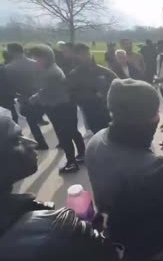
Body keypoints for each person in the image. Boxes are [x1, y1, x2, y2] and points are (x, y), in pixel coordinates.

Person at [0, 108, 121, 261]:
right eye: (17, 140)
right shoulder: (57, 227)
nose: (33, 142)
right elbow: (111, 254)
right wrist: (90, 231)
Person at [86, 79, 163, 260]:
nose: (158, 117)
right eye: (156, 111)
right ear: (148, 119)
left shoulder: (96, 140)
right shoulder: (153, 168)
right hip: (150, 248)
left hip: (113, 234)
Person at [28, 45, 86, 173]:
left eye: (37, 59)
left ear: (46, 58)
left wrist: (33, 98)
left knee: (64, 135)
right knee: (72, 132)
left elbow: (45, 93)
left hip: (60, 107)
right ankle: (82, 154)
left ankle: (71, 163)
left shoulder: (50, 73)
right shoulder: (50, 69)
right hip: (65, 106)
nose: (35, 61)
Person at [4, 43, 48, 150]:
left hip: (25, 97)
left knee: (32, 122)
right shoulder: (35, 64)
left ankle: (42, 143)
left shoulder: (9, 68)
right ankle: (62, 141)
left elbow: (11, 85)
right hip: (41, 94)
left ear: (12, 52)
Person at [67, 43, 117, 134]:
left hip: (108, 109)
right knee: (98, 134)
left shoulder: (103, 71)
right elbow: (72, 94)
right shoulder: (74, 74)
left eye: (88, 54)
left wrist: (107, 95)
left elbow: (116, 83)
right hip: (91, 110)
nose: (87, 57)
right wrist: (93, 96)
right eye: (83, 55)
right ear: (77, 56)